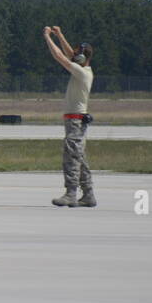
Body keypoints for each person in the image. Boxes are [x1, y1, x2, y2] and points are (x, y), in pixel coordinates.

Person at [44, 26, 96, 208]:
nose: (73, 56)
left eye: (77, 55)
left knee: (72, 158)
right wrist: (59, 35)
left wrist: (47, 37)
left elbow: (60, 56)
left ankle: (71, 194)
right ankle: (88, 194)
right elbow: (70, 55)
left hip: (75, 120)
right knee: (79, 157)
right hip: (75, 120)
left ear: (83, 57)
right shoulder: (83, 70)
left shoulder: (82, 73)